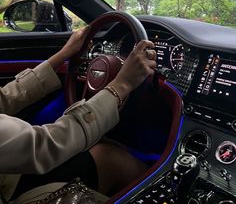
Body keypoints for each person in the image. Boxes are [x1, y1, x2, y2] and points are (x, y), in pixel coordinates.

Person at [0, 25, 157, 203]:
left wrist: (63, 54)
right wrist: (122, 84)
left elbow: (4, 99)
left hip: (9, 175)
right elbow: (44, 146)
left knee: (106, 155)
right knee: (115, 161)